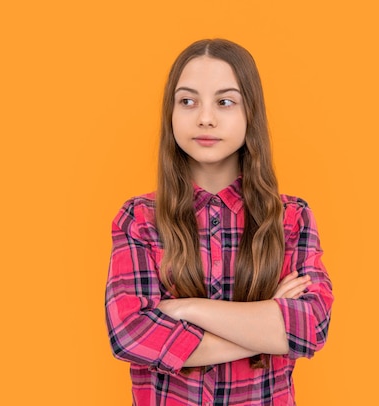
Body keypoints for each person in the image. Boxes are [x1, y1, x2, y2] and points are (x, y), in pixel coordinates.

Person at [105, 38, 334, 405]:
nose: (205, 117)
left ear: (250, 113)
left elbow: (310, 328)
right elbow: (131, 335)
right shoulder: (139, 219)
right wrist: (264, 327)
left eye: (225, 102)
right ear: (171, 113)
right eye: (188, 101)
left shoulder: (291, 218)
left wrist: (185, 308)